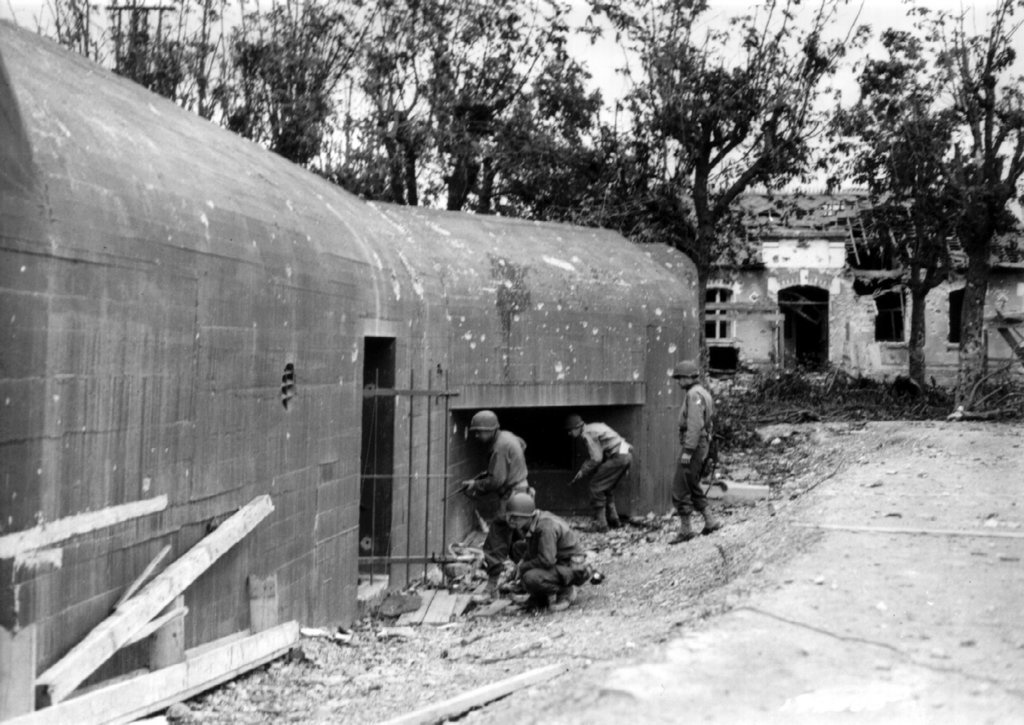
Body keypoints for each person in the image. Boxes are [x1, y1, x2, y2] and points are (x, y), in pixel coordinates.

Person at [462, 410, 532, 603]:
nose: (477, 436)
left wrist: (476, 485)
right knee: (520, 542)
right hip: (522, 492)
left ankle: (491, 588)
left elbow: (497, 481)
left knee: (496, 540)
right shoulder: (508, 437)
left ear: (491, 430)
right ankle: (529, 581)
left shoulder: (499, 447)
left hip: (511, 498)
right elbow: (522, 444)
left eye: (480, 432)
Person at [505, 493, 589, 612]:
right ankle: (539, 595)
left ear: (529, 515)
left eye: (516, 517)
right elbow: (531, 549)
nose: (512, 520)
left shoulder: (545, 528)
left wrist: (523, 567)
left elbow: (547, 561)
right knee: (518, 548)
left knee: (530, 577)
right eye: (511, 516)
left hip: (572, 568)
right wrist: (519, 566)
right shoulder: (534, 521)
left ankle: (565, 592)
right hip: (558, 560)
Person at [669, 360, 722, 544]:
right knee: (691, 484)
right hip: (700, 444)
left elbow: (694, 425)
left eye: (680, 377)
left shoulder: (693, 395)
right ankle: (710, 520)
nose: (678, 381)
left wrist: (688, 451)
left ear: (689, 377)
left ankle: (686, 530)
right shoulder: (702, 393)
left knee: (679, 486)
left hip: (694, 445)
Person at [565, 413, 633, 532]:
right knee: (607, 487)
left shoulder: (587, 434)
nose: (569, 434)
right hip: (626, 454)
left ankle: (601, 525)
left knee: (596, 486)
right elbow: (618, 441)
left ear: (577, 427)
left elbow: (596, 458)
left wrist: (583, 470)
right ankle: (614, 520)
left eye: (570, 430)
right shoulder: (595, 426)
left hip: (618, 457)